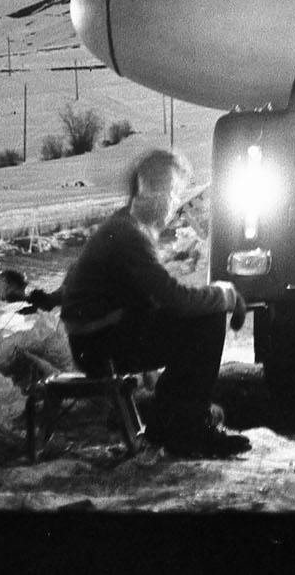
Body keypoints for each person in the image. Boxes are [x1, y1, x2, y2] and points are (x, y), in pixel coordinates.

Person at [58, 146, 250, 458]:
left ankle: (174, 421)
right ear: (150, 191)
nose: (175, 203)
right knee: (207, 319)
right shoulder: (129, 235)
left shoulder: (126, 226)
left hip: (93, 339)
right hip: (98, 345)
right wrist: (224, 295)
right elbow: (173, 298)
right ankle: (186, 428)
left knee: (195, 320)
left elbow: (156, 300)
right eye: (173, 192)